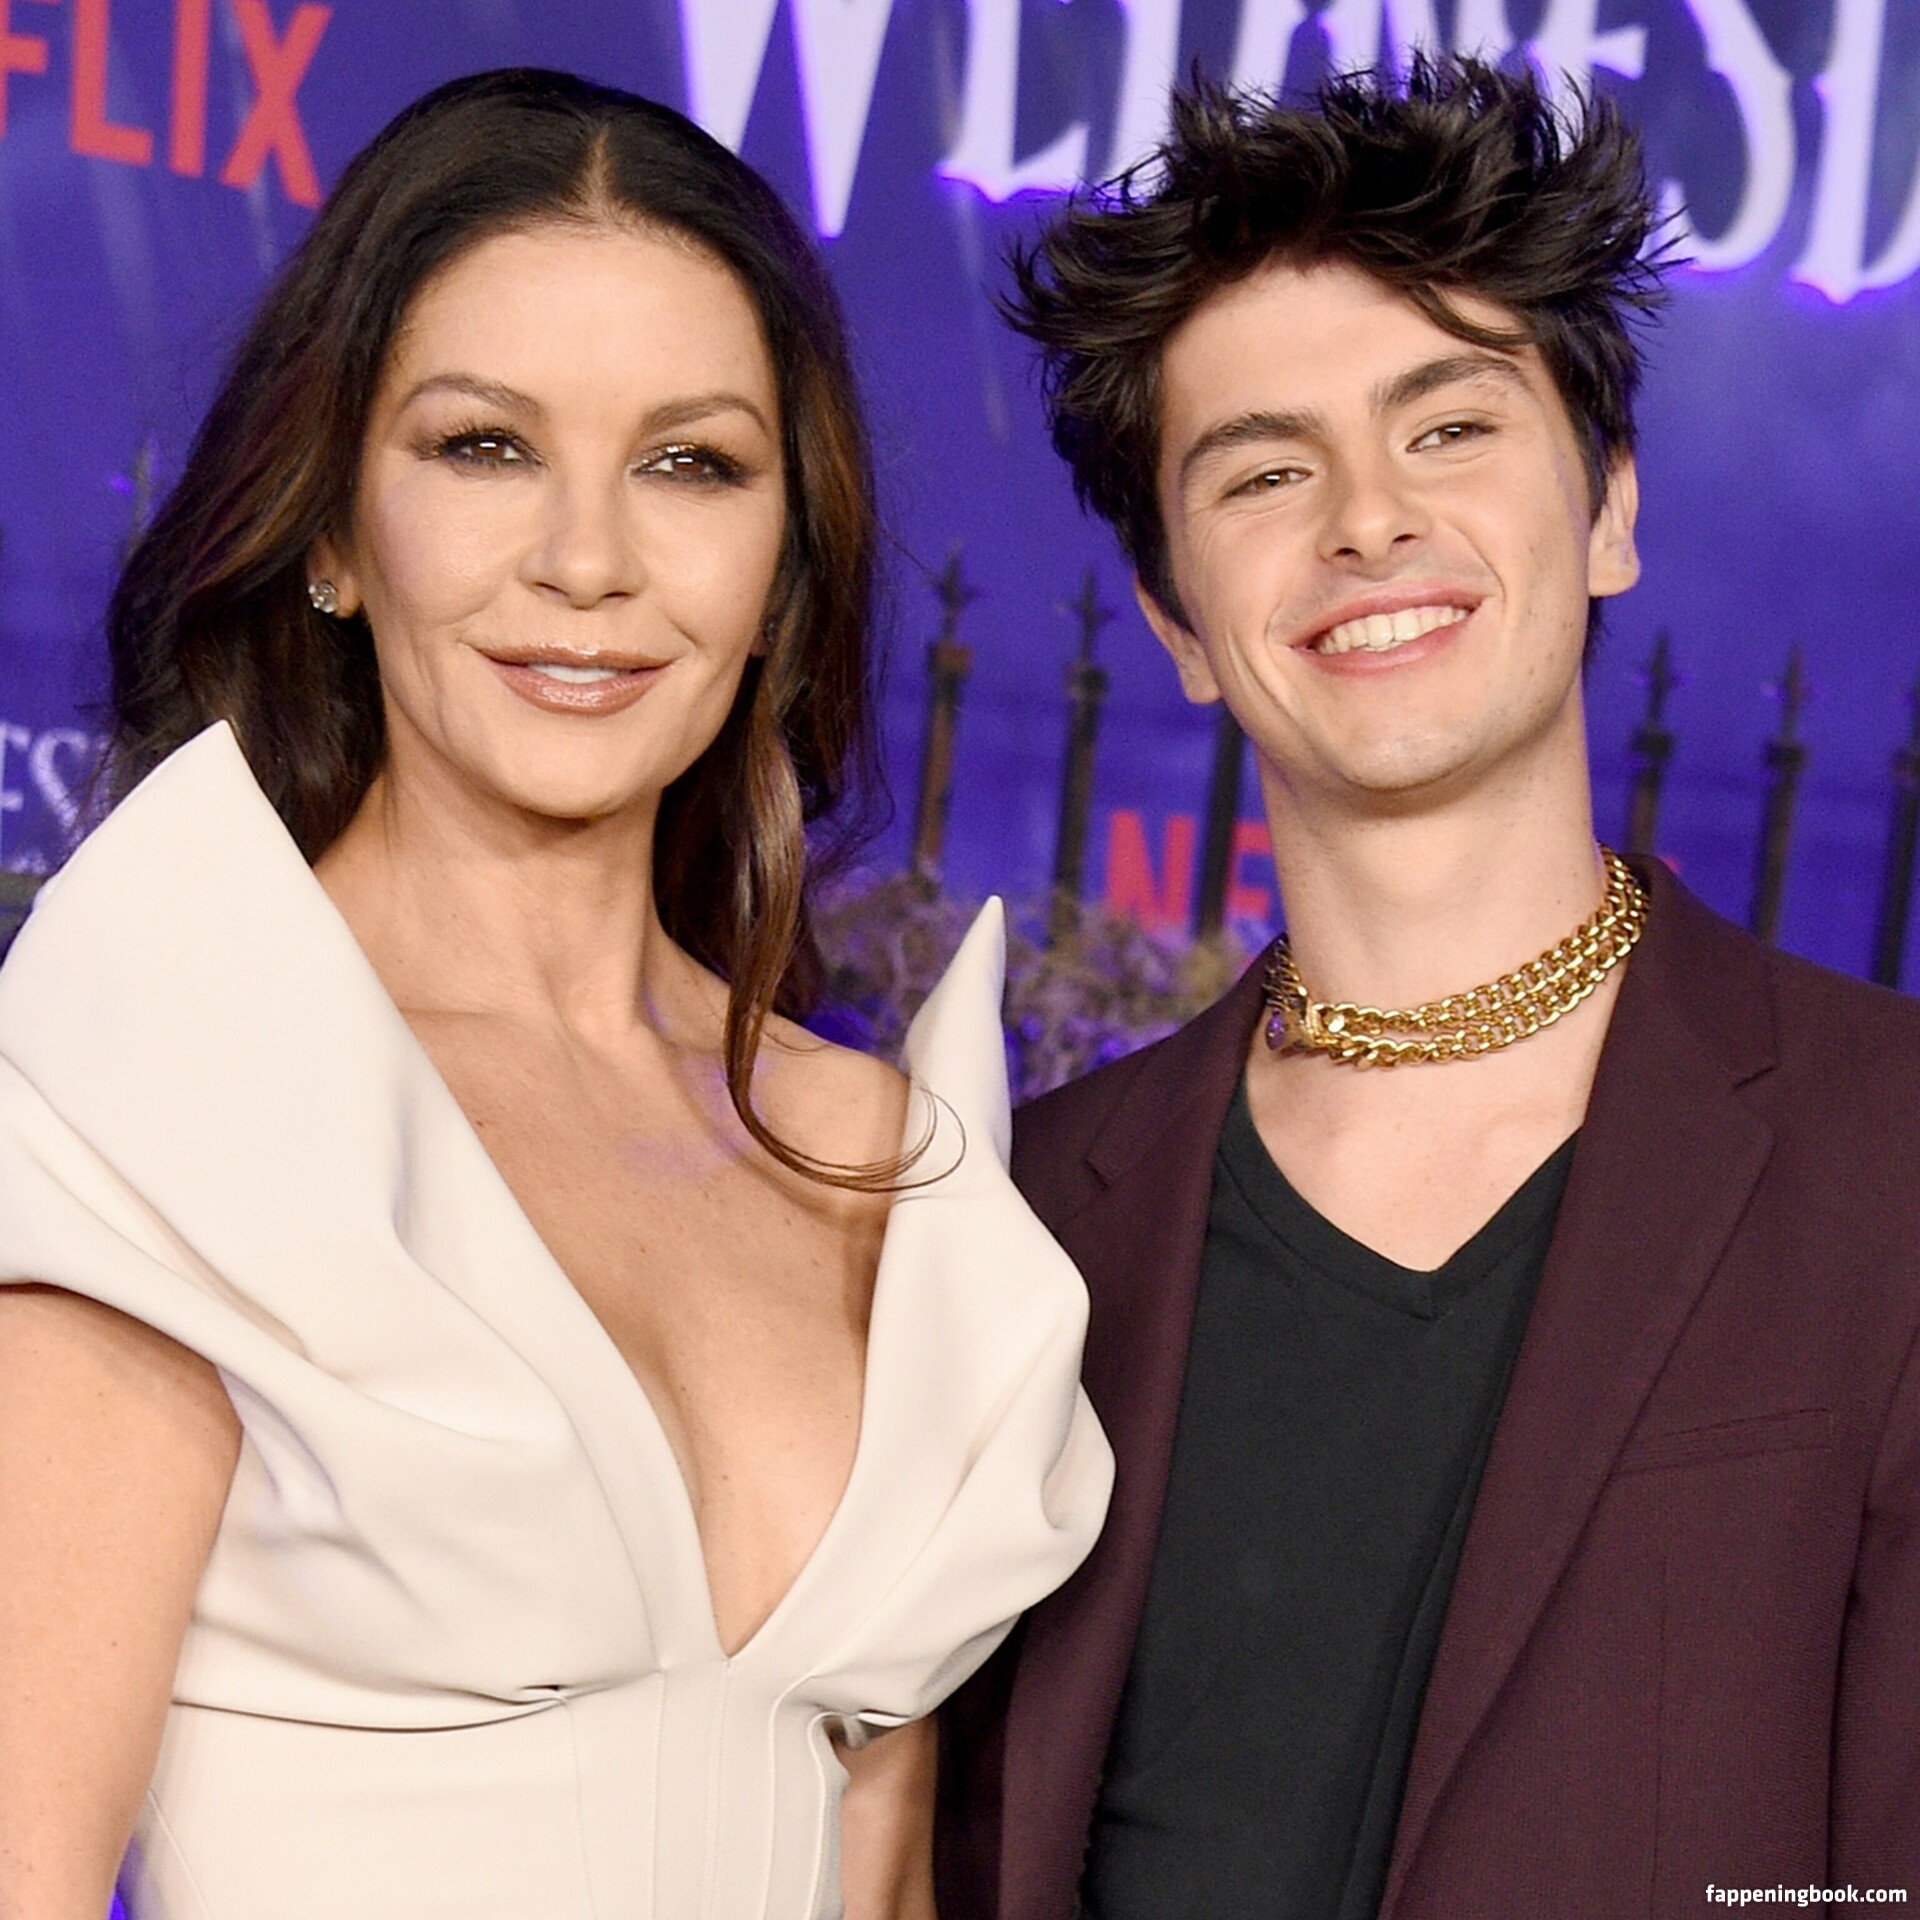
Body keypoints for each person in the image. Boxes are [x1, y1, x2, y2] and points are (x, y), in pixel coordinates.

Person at [0, 69, 1111, 1920]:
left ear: (782, 566)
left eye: (690, 465)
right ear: (333, 534)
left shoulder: (882, 1160)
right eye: (483, 446)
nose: (587, 562)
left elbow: (885, 1878)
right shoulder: (178, 1095)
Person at [938, 55, 1920, 1920]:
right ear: (1175, 620)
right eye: (1264, 471)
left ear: (1609, 506)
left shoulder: (1890, 1157)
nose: (1367, 521)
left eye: (1450, 428)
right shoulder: (1022, 1216)